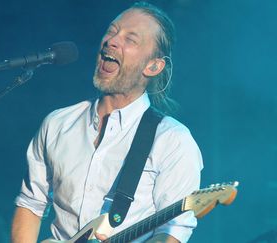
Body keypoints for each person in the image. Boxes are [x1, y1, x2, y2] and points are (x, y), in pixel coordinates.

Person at [11, 2, 203, 243]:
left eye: (130, 39)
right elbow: (30, 204)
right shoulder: (57, 123)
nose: (112, 41)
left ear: (153, 66)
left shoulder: (172, 140)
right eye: (112, 31)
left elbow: (173, 231)